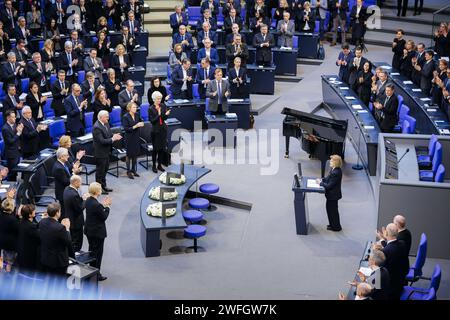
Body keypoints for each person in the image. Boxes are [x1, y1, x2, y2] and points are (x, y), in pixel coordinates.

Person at [373, 223, 409, 299]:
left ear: (386, 233)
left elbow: (379, 269)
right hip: (400, 281)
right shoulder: (402, 244)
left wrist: (376, 252)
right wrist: (382, 239)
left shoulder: (386, 251)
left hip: (390, 287)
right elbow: (391, 247)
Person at [84, 182, 111, 281]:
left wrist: (102, 206)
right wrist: (107, 207)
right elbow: (104, 216)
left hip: (89, 230)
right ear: (96, 191)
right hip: (97, 233)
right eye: (100, 189)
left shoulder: (88, 200)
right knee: (98, 254)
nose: (101, 191)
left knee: (92, 251)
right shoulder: (96, 205)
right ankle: (96, 274)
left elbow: (97, 210)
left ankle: (92, 271)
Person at [93, 110, 122, 194]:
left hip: (106, 151)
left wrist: (114, 135)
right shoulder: (96, 127)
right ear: (101, 117)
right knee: (100, 172)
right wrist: (113, 139)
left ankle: (104, 186)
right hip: (100, 153)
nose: (108, 118)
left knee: (105, 170)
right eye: (106, 117)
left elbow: (108, 134)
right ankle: (98, 189)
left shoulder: (106, 123)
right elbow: (102, 141)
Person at [39, 203, 73, 275]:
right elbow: (67, 241)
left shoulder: (42, 222)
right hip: (58, 262)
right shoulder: (60, 228)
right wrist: (67, 228)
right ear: (57, 213)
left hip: (46, 258)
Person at [317, 154, 343, 232]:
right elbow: (328, 178)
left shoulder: (336, 172)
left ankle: (336, 227)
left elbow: (329, 186)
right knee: (330, 210)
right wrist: (322, 180)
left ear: (336, 162)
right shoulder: (333, 169)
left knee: (333, 211)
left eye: (331, 161)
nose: (330, 162)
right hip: (331, 195)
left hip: (333, 195)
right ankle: (332, 224)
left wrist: (320, 183)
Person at [53, 148, 79, 219]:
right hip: (62, 193)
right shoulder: (58, 168)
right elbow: (66, 181)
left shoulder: (62, 164)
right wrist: (74, 173)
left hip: (65, 191)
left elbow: (67, 171)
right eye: (67, 155)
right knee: (64, 212)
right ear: (61, 157)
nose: (68, 156)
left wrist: (74, 167)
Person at [63, 175, 86, 253]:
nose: (81, 183)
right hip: (76, 221)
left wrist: (81, 199)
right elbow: (80, 208)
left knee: (73, 238)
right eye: (80, 182)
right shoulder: (74, 195)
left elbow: (74, 203)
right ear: (75, 182)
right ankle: (75, 254)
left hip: (69, 218)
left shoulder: (66, 189)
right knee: (77, 240)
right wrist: (85, 200)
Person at [149, 91, 170, 173]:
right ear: (154, 99)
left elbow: (164, 118)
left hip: (163, 130)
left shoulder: (163, 105)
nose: (159, 100)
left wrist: (166, 114)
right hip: (155, 131)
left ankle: (159, 165)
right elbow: (152, 121)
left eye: (160, 99)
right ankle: (154, 165)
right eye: (157, 99)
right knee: (155, 150)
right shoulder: (151, 108)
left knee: (162, 148)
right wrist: (159, 114)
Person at [122, 102, 144, 179]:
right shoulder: (125, 117)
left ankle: (133, 170)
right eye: (134, 107)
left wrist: (142, 123)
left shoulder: (137, 114)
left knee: (135, 154)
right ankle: (128, 171)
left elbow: (141, 121)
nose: (135, 109)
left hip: (136, 136)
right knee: (129, 154)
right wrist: (135, 126)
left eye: (136, 107)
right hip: (129, 137)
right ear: (129, 108)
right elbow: (126, 129)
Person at [16, 204, 40, 274]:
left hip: (21, 251)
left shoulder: (21, 222)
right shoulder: (31, 226)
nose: (35, 211)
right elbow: (39, 237)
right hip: (29, 254)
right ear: (29, 215)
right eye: (33, 211)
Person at [1, 110, 23, 181]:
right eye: (13, 117)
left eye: (15, 117)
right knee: (12, 173)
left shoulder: (14, 125)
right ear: (8, 118)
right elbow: (10, 141)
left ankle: (15, 187)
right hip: (11, 154)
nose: (15, 118)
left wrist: (19, 130)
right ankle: (11, 187)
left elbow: (16, 138)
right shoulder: (5, 129)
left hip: (17, 152)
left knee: (15, 172)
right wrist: (18, 133)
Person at [0, 198, 19, 272]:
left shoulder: (1, 215)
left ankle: (6, 268)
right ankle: (8, 274)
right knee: (9, 260)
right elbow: (18, 230)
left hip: (2, 239)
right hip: (10, 243)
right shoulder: (12, 220)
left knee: (5, 256)